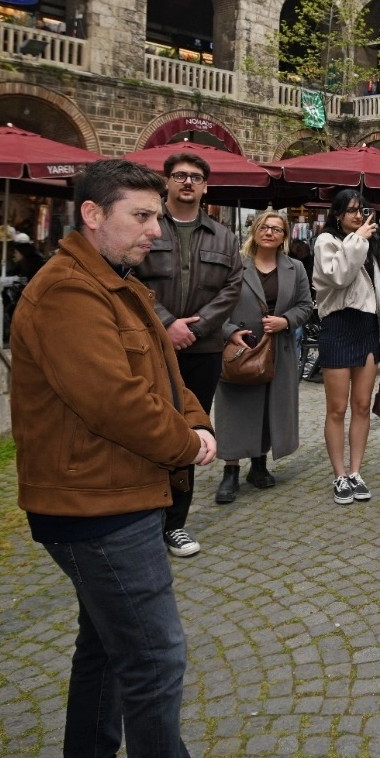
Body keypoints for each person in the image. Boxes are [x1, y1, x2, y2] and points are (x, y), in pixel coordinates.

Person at [10, 159, 217, 758]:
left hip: (118, 494)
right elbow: (115, 403)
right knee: (154, 658)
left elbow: (165, 373)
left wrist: (197, 421)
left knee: (106, 646)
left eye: (158, 217)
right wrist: (186, 445)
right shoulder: (69, 292)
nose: (156, 230)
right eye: (142, 216)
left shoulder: (114, 281)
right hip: (96, 506)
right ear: (93, 215)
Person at [138, 152, 243, 558]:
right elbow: (129, 277)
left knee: (190, 430)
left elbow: (232, 289)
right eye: (180, 175)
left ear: (205, 187)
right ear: (166, 181)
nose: (187, 182)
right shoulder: (146, 226)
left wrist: (194, 329)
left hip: (203, 349)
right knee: (146, 426)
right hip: (149, 345)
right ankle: (142, 515)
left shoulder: (223, 237)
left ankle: (175, 524)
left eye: (195, 177)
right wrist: (167, 322)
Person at [211, 210, 313, 505]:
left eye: (276, 229)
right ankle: (230, 470)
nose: (269, 232)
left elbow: (306, 305)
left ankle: (259, 464)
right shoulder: (235, 265)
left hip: (278, 349)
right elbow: (216, 304)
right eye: (264, 227)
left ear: (284, 237)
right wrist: (230, 332)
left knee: (270, 406)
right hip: (240, 349)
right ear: (255, 231)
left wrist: (286, 321)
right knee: (235, 408)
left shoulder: (295, 268)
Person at [313, 189, 380, 505]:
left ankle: (355, 472)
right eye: (350, 210)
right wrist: (358, 239)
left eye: (362, 210)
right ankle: (339, 475)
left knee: (362, 406)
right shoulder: (327, 242)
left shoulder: (371, 247)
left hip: (366, 329)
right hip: (338, 326)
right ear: (338, 215)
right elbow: (338, 276)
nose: (357, 215)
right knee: (337, 408)